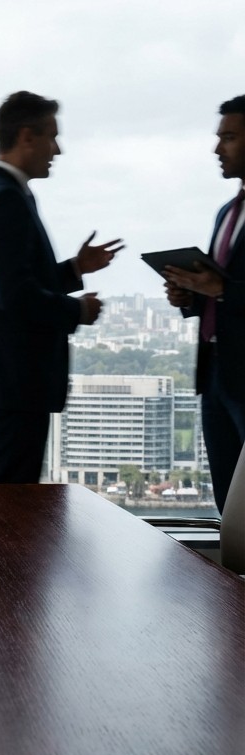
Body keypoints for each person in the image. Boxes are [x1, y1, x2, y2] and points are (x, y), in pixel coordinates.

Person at [0, 91, 123, 483]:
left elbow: (13, 280)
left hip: (5, 383)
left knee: (7, 502)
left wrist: (76, 268)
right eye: (52, 136)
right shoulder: (4, 200)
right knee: (9, 506)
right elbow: (16, 298)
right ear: (27, 136)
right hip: (11, 384)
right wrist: (78, 310)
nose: (57, 150)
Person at [163, 96, 245, 513]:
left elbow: (228, 289)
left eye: (228, 138)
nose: (217, 149)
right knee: (229, 506)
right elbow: (220, 289)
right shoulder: (226, 212)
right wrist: (190, 295)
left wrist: (222, 289)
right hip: (215, 375)